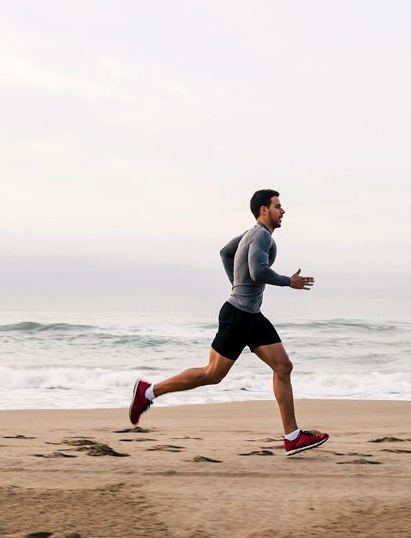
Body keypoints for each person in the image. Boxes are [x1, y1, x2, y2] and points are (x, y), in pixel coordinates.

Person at [129, 189, 328, 456]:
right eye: (278, 206)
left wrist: (237, 284)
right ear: (263, 210)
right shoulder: (261, 236)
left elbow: (225, 253)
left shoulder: (250, 234)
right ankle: (149, 392)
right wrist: (287, 281)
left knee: (283, 366)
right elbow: (258, 271)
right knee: (212, 374)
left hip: (250, 316)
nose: (283, 211)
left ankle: (292, 437)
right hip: (238, 317)